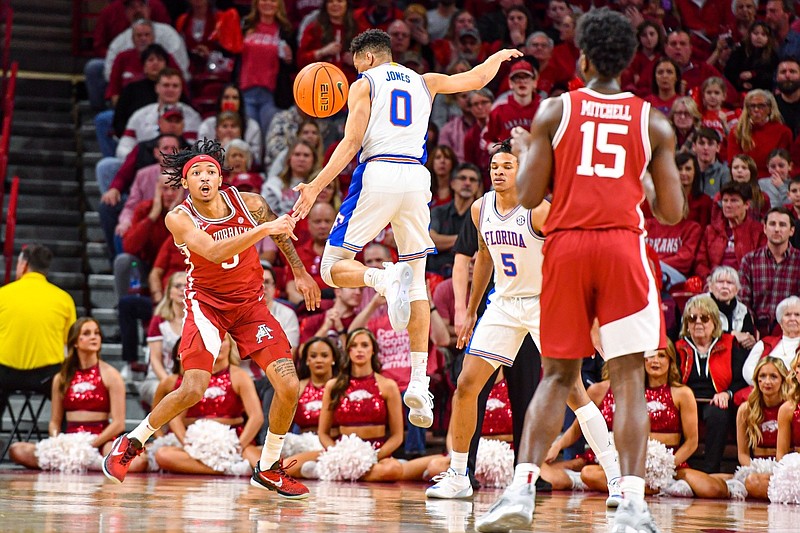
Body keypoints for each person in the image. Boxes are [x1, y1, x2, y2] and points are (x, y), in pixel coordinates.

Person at [477, 9, 683, 533]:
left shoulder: (554, 110)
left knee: (558, 375)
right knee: (630, 375)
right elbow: (671, 213)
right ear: (631, 61)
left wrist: (526, 150)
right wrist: (642, 179)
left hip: (566, 247)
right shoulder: (652, 120)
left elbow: (525, 195)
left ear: (584, 57)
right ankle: (632, 505)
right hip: (621, 246)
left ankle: (520, 492)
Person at [292, 28, 522, 431]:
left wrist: (315, 186)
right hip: (417, 178)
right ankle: (419, 383)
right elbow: (475, 80)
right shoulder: (425, 80)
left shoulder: (363, 84)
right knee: (417, 281)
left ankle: (380, 280)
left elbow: (350, 143)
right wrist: (498, 55)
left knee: (331, 267)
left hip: (378, 171)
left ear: (364, 59)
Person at [101, 139, 321, 501]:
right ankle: (132, 440)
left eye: (211, 172)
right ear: (185, 183)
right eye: (196, 173)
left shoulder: (250, 203)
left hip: (250, 306)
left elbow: (281, 234)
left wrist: (299, 272)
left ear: (220, 178)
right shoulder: (179, 217)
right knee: (193, 388)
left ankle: (267, 467)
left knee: (289, 386)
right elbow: (216, 251)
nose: (204, 177)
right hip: (207, 304)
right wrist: (263, 230)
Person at [426, 142, 621, 505]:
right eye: (494, 166)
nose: (498, 172)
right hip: (503, 304)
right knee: (466, 384)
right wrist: (470, 310)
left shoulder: (540, 212)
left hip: (546, 304)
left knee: (574, 392)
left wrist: (590, 319)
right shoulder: (480, 208)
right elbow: (483, 256)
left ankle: (616, 479)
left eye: (507, 166)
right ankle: (458, 475)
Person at [9, 318, 146, 474]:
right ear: (75, 342)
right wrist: (57, 442)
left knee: (136, 463)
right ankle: (85, 463)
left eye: (97, 333)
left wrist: (91, 444)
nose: (94, 337)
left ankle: (89, 462)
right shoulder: (61, 378)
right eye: (87, 333)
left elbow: (118, 424)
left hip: (101, 439)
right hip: (70, 440)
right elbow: (55, 421)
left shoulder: (111, 375)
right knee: (17, 450)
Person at [153, 334, 264, 474]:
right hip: (194, 440)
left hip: (232, 438)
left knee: (257, 458)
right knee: (163, 455)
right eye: (213, 339)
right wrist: (188, 445)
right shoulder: (192, 376)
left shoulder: (239, 376)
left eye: (223, 340)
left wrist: (238, 447)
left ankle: (228, 462)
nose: (219, 345)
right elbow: (175, 418)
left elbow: (256, 417)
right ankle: (228, 469)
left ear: (230, 345)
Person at [0, 244, 77, 421]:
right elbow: (71, 343)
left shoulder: (3, 294)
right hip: (47, 377)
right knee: (69, 395)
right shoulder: (63, 299)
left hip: (4, 375)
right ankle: (64, 441)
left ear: (24, 265)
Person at [674, 294, 748, 473]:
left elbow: (741, 379)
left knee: (718, 414)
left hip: (716, 400)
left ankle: (710, 471)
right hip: (685, 401)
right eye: (692, 318)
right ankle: (682, 469)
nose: (698, 322)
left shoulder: (730, 345)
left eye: (704, 318)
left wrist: (727, 393)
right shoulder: (678, 347)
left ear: (714, 322)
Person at [739, 207, 800, 336]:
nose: (777, 229)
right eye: (772, 224)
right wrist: (751, 330)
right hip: (756, 333)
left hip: (793, 332)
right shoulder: (749, 260)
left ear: (792, 231)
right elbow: (743, 303)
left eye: (782, 225)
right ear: (765, 229)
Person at [735, 357, 789, 497]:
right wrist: (754, 469)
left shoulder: (790, 408)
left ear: (783, 380)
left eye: (773, 377)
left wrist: (779, 470)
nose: (767, 382)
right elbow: (743, 454)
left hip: (783, 470)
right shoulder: (745, 410)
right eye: (762, 376)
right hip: (754, 470)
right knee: (720, 482)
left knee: (755, 484)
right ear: (756, 380)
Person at [138, 272, 186, 408]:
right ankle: (162, 430)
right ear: (169, 292)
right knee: (163, 394)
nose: (183, 290)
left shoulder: (199, 321)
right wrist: (168, 382)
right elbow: (155, 359)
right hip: (158, 378)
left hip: (188, 379)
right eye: (178, 286)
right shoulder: (159, 320)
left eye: (187, 286)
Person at [741, 296, 800, 386]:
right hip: (764, 392)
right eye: (787, 314)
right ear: (780, 321)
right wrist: (766, 385)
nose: (792, 318)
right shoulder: (764, 343)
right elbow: (748, 370)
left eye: (797, 315)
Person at [706, 266, 757, 350]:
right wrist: (732, 335)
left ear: (737, 289)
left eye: (730, 283)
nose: (725, 286)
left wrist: (750, 340)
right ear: (710, 287)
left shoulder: (743, 310)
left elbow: (748, 336)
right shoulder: (698, 304)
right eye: (720, 282)